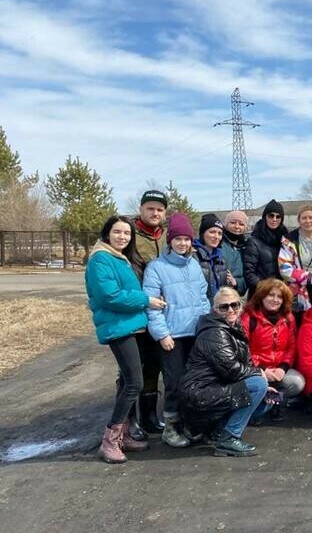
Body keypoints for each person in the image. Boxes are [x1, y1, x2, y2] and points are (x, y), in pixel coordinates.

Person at [86, 215, 166, 463]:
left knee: (126, 381)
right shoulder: (101, 259)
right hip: (118, 328)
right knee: (134, 382)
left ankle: (125, 435)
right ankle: (109, 440)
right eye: (117, 232)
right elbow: (110, 296)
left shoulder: (120, 258)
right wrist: (145, 300)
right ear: (107, 233)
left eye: (127, 234)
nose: (122, 237)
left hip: (132, 326)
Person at [142, 212, 211, 448]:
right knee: (174, 383)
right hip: (172, 336)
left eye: (187, 239)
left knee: (194, 382)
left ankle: (189, 424)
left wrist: (206, 327)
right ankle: (171, 427)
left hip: (195, 333)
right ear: (169, 240)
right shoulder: (156, 267)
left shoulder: (193, 265)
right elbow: (152, 305)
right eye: (178, 238)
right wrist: (162, 334)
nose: (183, 243)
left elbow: (203, 299)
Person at [179, 287, 272, 457]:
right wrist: (259, 373)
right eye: (224, 307)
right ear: (215, 310)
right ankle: (228, 438)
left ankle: (218, 430)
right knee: (258, 385)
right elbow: (231, 370)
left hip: (216, 388)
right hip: (200, 393)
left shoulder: (233, 326)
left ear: (240, 306)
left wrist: (264, 383)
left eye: (235, 305)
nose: (230, 310)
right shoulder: (215, 332)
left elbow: (245, 362)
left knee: (267, 400)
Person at [131, 189, 169, 434]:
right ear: (141, 209)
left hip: (164, 312)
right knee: (134, 368)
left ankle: (149, 418)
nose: (155, 213)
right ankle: (127, 422)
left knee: (155, 365)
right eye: (150, 208)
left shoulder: (167, 236)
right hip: (138, 311)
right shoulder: (129, 235)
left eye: (159, 209)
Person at [241, 278, 305, 416]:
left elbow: (291, 347)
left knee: (297, 382)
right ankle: (260, 408)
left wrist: (283, 368)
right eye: (271, 295)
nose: (275, 299)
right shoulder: (248, 318)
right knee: (257, 387)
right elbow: (243, 351)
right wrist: (262, 370)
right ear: (262, 296)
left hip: (278, 368)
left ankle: (273, 401)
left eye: (279, 296)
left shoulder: (288, 318)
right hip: (256, 370)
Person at [244, 199, 288, 298]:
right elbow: (249, 273)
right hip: (260, 294)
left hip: (280, 294)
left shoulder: (285, 241)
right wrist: (267, 289)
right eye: (271, 215)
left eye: (278, 216)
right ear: (265, 217)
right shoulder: (254, 241)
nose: (274, 219)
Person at [193, 214, 234, 301]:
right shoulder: (193, 256)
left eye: (219, 233)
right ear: (203, 233)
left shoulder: (220, 259)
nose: (216, 237)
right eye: (212, 232)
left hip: (219, 309)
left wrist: (230, 283)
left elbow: (224, 287)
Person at [220, 211, 249, 296]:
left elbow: (248, 276)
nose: (237, 226)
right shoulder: (218, 243)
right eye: (233, 223)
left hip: (236, 296)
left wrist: (236, 282)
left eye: (241, 224)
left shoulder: (247, 247)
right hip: (219, 294)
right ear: (226, 224)